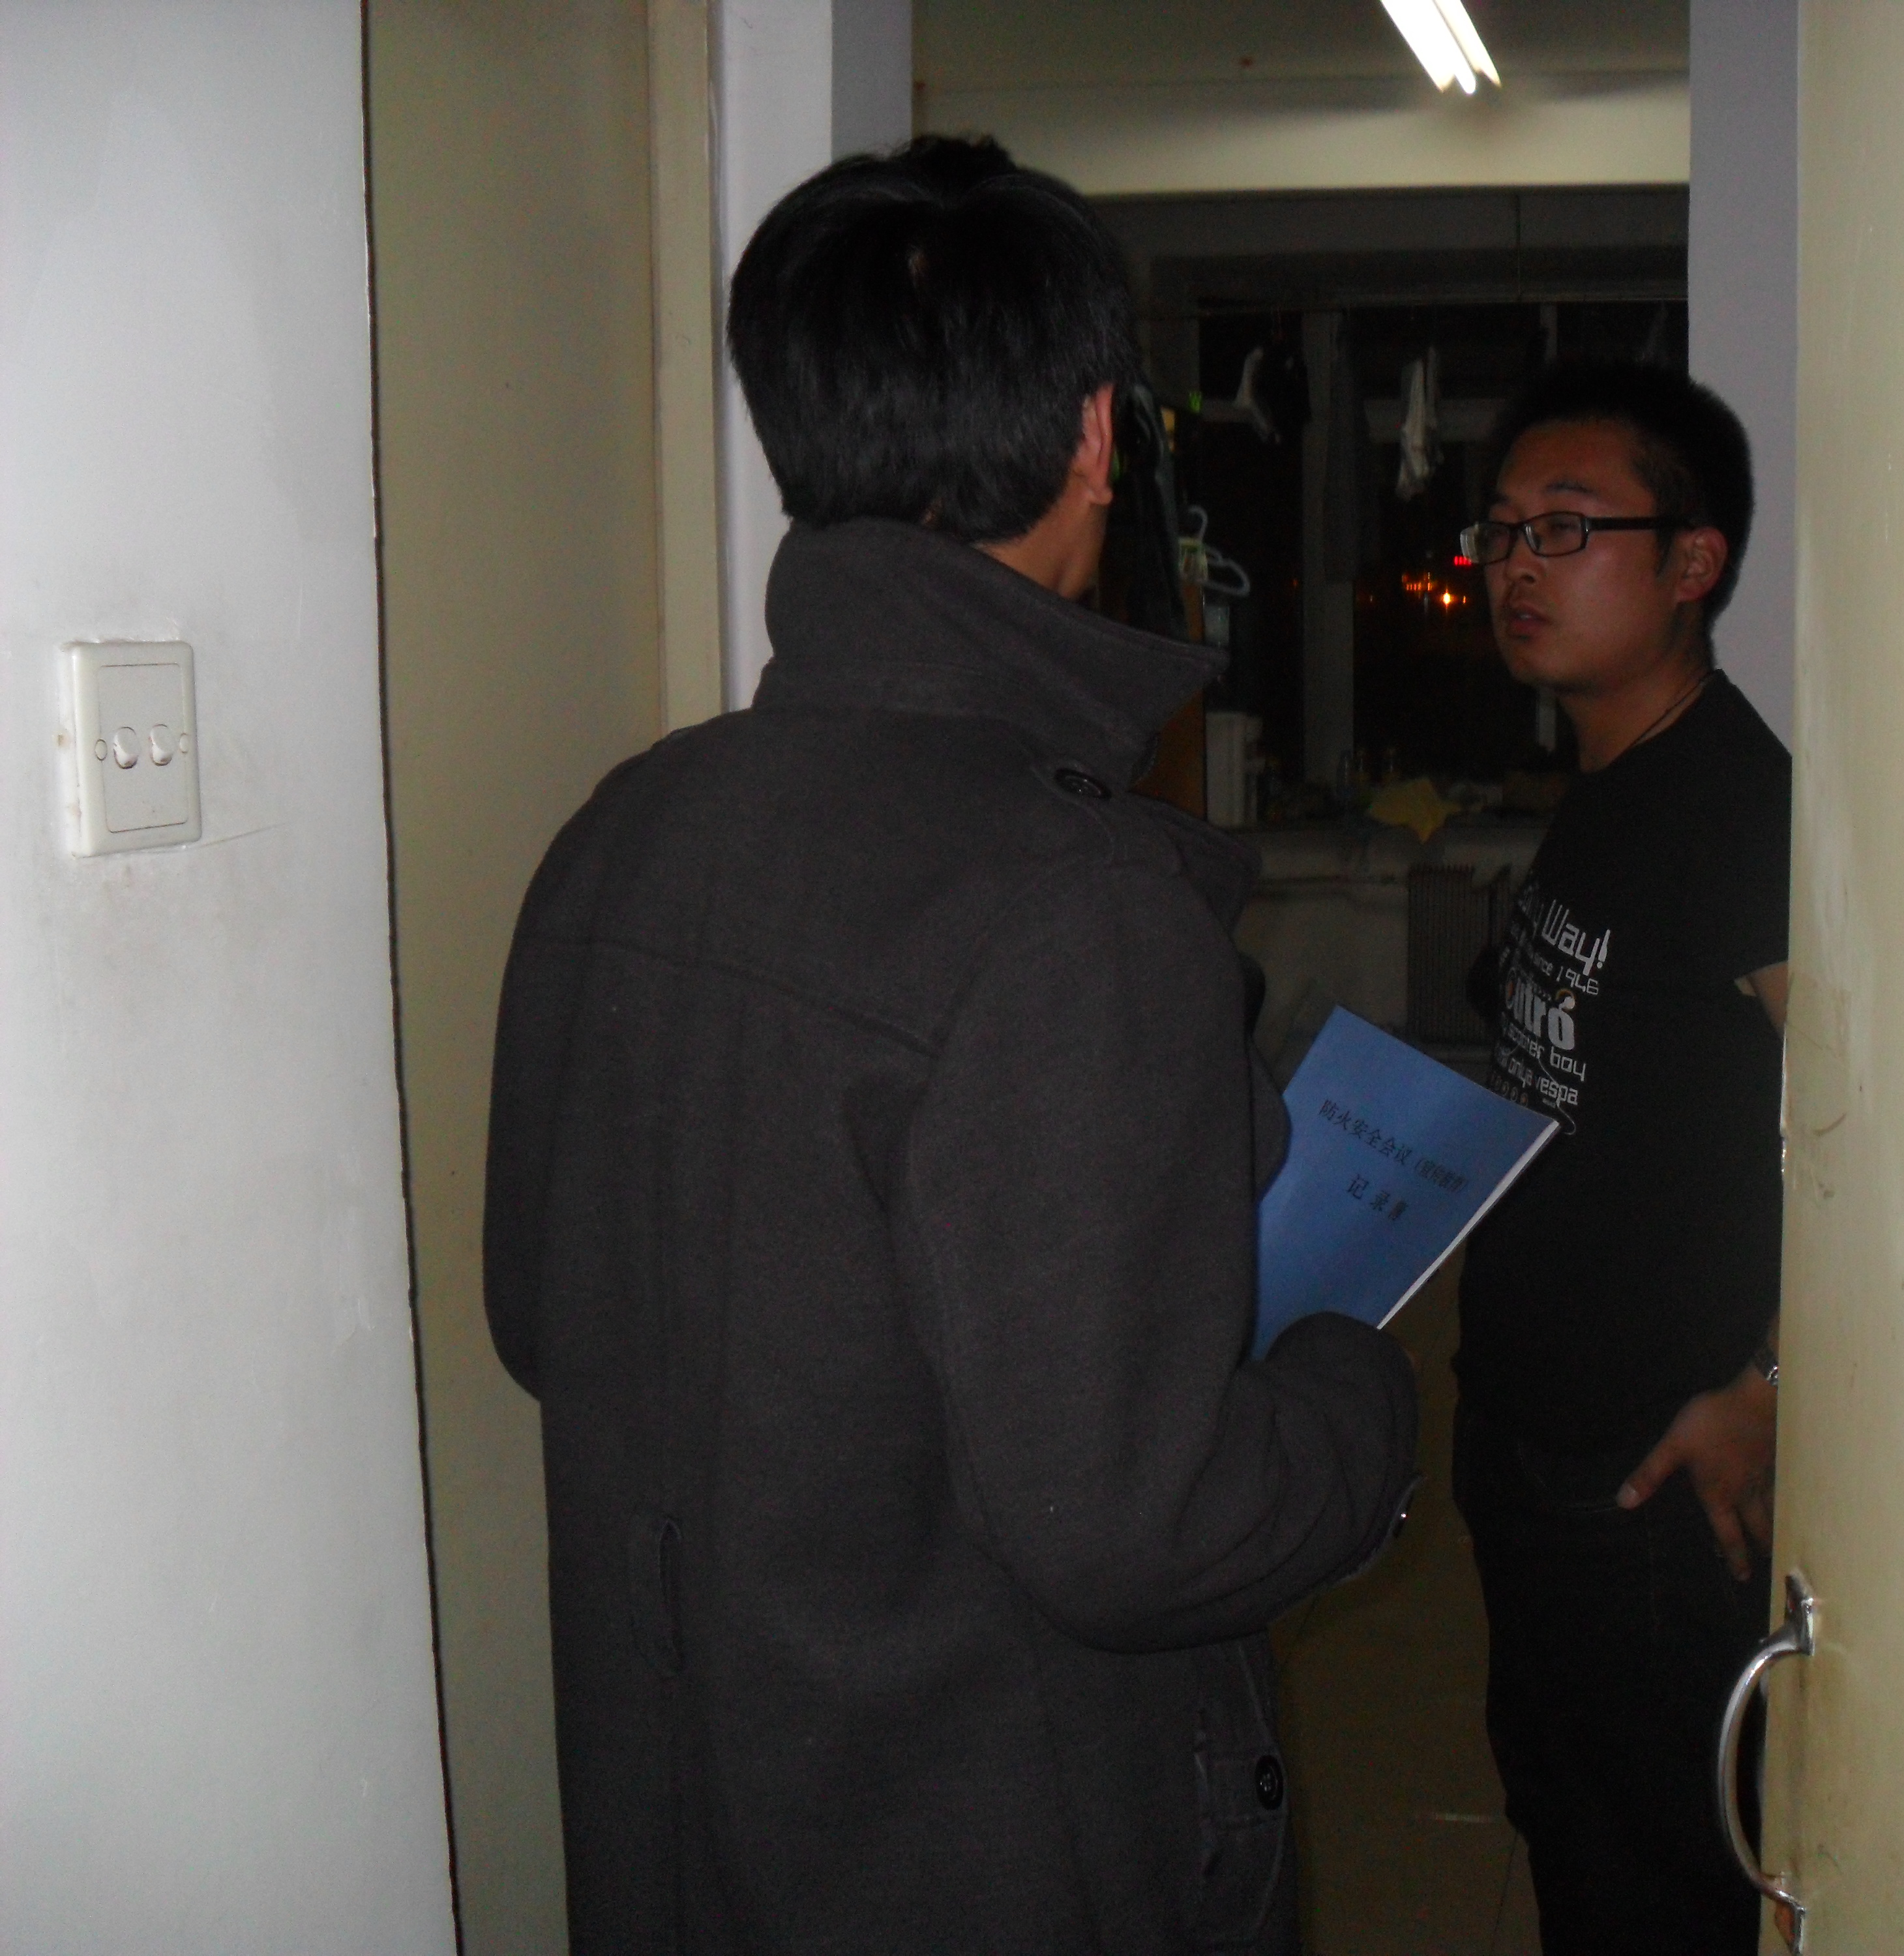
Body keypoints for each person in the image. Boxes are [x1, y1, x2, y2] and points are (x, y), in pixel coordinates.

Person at [483, 137, 1419, 1955]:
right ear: (1096, 436)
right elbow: (1143, 1525)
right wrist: (1358, 1400)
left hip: (680, 1798)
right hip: (983, 1835)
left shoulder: (626, 827)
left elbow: (548, 1317)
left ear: (799, 429)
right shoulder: (1073, 904)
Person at [1453, 363, 1789, 1954]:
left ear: (1691, 564)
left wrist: (1777, 1383)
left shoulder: (1738, 812)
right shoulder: (1605, 788)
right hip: (1531, 1441)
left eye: (1568, 528)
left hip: (1649, 1481)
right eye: (1502, 529)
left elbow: (1868, 1142)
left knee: (1655, 1886)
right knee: (1566, 1829)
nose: (1516, 565)